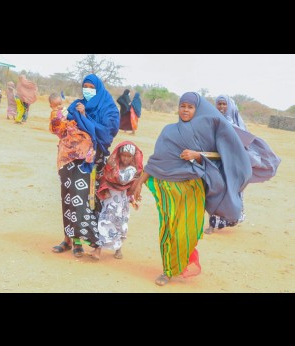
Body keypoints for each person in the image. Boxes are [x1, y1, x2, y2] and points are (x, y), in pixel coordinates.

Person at [133, 92, 253, 286]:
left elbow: (222, 155)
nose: (185, 110)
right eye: (183, 106)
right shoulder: (168, 131)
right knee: (167, 229)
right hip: (168, 190)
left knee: (186, 232)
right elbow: (156, 160)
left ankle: (178, 264)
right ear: (178, 108)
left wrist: (198, 155)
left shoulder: (205, 132)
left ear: (197, 110)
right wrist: (139, 183)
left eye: (190, 107)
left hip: (192, 191)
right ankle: (167, 270)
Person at [51, 74, 120, 258]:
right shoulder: (75, 104)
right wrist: (59, 116)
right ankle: (69, 240)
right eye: (85, 86)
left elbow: (106, 135)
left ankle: (86, 242)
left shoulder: (109, 110)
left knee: (86, 200)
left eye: (91, 87)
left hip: (93, 161)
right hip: (70, 159)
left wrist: (84, 117)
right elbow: (63, 127)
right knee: (68, 198)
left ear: (98, 88)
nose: (87, 90)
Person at [205, 94, 281, 234]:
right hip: (218, 163)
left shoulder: (238, 124)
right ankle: (212, 225)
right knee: (214, 192)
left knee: (232, 193)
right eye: (219, 104)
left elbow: (245, 144)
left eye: (224, 104)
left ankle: (230, 219)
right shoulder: (213, 121)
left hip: (234, 166)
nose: (221, 107)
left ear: (230, 105)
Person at [87, 141, 143, 260]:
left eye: (129, 156)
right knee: (104, 221)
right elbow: (103, 175)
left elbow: (121, 180)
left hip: (121, 203)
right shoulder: (112, 165)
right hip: (109, 201)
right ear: (119, 154)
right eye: (123, 155)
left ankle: (118, 249)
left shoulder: (131, 170)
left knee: (120, 224)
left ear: (133, 157)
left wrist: (110, 171)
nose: (126, 158)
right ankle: (98, 250)